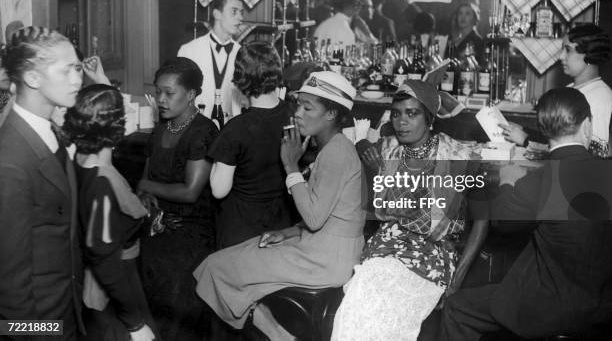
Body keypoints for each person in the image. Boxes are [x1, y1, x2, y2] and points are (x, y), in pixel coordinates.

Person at [194, 71, 365, 340]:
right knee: (233, 259)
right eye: (298, 104)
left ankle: (279, 336)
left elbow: (314, 218)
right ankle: (280, 335)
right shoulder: (335, 146)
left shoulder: (336, 153)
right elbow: (330, 213)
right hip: (324, 249)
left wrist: (291, 166)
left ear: (331, 114)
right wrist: (287, 232)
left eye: (308, 108)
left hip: (326, 260)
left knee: (217, 266)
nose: (297, 113)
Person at [440, 87, 612, 340]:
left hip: (550, 307)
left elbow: (502, 225)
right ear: (587, 125)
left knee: (457, 308)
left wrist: (509, 181)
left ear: (544, 130)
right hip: (603, 306)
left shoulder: (537, 181)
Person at [332, 80, 488, 341]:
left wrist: (457, 280)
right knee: (355, 313)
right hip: (385, 251)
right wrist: (373, 169)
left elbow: (484, 220)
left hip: (431, 257)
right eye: (396, 113)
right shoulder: (387, 151)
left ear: (429, 118)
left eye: (411, 113)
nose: (401, 121)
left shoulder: (460, 158)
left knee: (390, 320)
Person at [0, 27, 84, 339]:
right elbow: (10, 287)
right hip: (39, 324)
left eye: (78, 68)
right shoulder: (10, 161)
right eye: (67, 70)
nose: (77, 79)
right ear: (33, 79)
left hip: (65, 307)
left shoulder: (48, 131)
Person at [61, 84, 156, 341]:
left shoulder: (82, 158)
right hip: (115, 287)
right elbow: (106, 263)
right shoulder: (100, 181)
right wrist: (136, 325)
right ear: (118, 125)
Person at [137, 57, 218, 341]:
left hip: (189, 232)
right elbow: (148, 174)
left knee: (178, 307)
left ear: (192, 94)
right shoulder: (162, 126)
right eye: (158, 91)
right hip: (157, 225)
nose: (160, 99)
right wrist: (145, 193)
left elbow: (190, 191)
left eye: (169, 93)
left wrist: (146, 185)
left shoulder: (204, 131)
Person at [209, 39, 294, 249]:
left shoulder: (236, 129)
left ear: (240, 79)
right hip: (283, 227)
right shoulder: (294, 116)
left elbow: (218, 190)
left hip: (242, 231)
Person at [502, 24, 612, 157]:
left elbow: (595, 155)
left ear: (589, 54)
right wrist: (524, 131)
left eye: (568, 50)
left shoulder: (600, 97)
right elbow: (561, 138)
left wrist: (526, 140)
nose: (561, 57)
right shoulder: (570, 90)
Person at [178, 0, 244, 120]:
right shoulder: (188, 50)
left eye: (241, 13)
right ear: (217, 14)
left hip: (231, 129)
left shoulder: (243, 53)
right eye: (234, 11)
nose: (240, 18)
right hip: (196, 126)